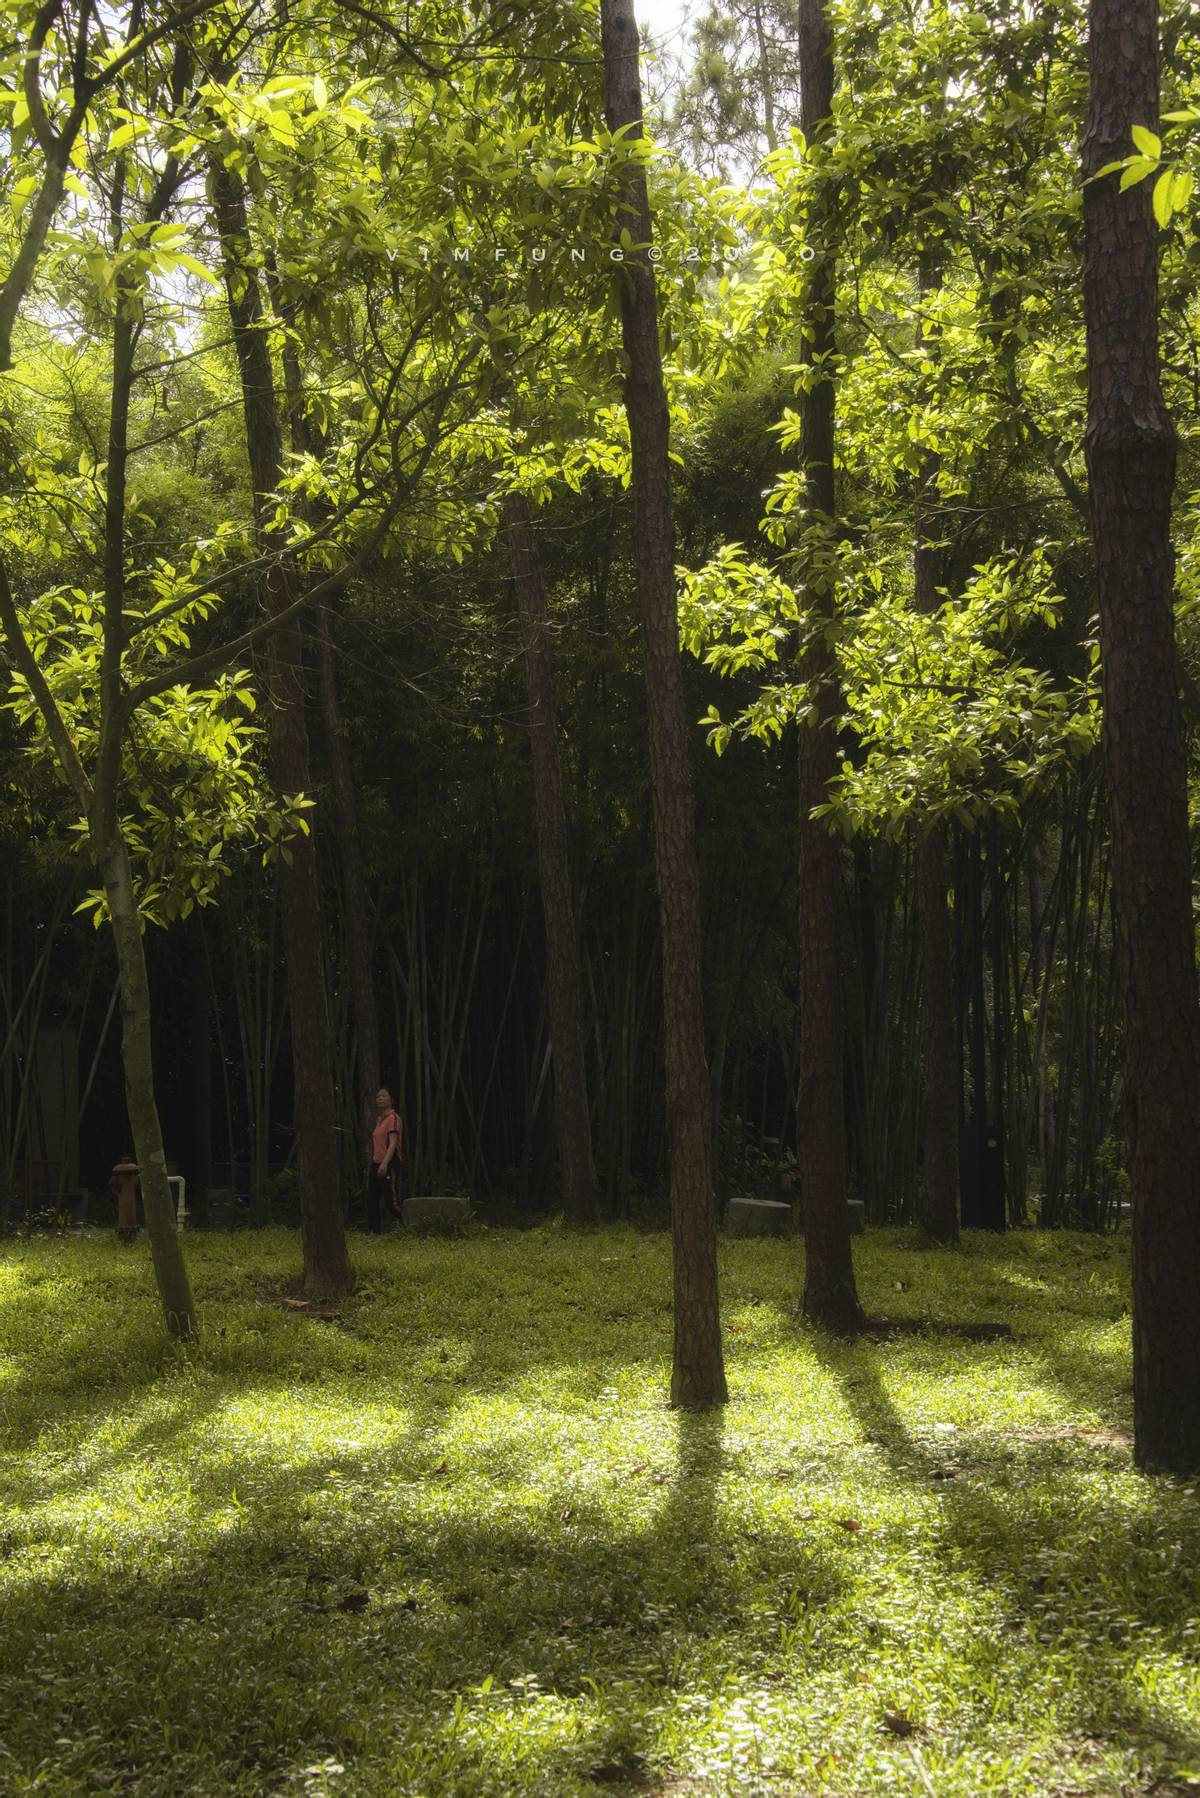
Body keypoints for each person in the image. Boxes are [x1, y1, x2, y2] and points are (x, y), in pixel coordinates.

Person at [367, 1088, 404, 1233]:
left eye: (384, 1096)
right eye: (378, 1096)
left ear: (391, 1100)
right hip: (376, 1162)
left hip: (389, 1162)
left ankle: (410, 1225)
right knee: (372, 1199)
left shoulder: (393, 1118)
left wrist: (384, 1164)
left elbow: (393, 1143)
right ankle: (374, 1232)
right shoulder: (379, 1120)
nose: (380, 1098)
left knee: (391, 1203)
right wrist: (378, 1163)